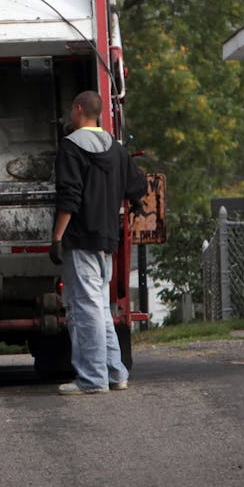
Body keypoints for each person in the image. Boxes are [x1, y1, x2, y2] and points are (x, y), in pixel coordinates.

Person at [50, 90, 148, 395]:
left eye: (71, 109)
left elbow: (70, 197)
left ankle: (92, 379)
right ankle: (115, 373)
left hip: (80, 238)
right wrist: (134, 201)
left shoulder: (71, 147)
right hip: (108, 239)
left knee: (86, 308)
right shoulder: (116, 149)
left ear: (79, 109)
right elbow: (139, 185)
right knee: (101, 308)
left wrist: (56, 237)